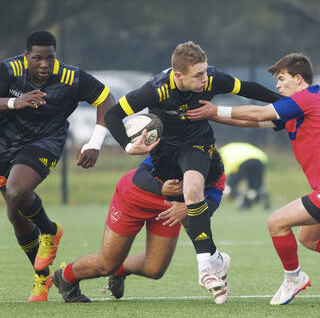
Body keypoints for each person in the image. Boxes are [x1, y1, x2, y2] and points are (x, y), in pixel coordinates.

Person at [104, 41, 282, 296]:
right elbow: (113, 115)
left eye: (206, 71)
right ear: (178, 76)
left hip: (198, 144)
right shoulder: (154, 90)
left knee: (193, 190)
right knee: (185, 220)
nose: (205, 78)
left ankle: (205, 269)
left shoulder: (212, 80)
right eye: (198, 74)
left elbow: (248, 88)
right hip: (164, 155)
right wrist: (129, 147)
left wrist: (287, 106)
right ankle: (216, 260)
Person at [187, 52, 318, 305]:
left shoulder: (308, 97)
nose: (277, 86)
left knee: (277, 222)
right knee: (308, 238)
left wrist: (218, 108)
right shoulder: (298, 109)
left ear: (299, 78)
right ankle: (295, 277)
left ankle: (294, 278)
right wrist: (212, 115)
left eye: (281, 79)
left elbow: (260, 113)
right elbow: (254, 123)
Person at [0, 31, 114, 301]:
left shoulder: (71, 77)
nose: (44, 64)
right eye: (37, 58)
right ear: (26, 56)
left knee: (17, 191)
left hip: (44, 141)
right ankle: (43, 278)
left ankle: (50, 231)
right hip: (4, 142)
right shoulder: (9, 70)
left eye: (49, 58)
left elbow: (105, 99)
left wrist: (95, 142)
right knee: (16, 216)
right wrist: (16, 102)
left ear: (55, 56)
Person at [52, 149, 228, 304]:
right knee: (106, 265)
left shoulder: (216, 174)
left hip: (169, 209)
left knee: (155, 269)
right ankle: (66, 277)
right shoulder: (173, 152)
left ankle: (120, 271)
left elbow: (211, 205)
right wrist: (161, 189)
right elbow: (140, 175)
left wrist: (189, 208)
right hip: (134, 198)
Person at [219, 142, 270, 210]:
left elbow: (222, 171)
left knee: (228, 188)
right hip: (259, 160)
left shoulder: (219, 154)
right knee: (255, 188)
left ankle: (242, 197)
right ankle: (261, 194)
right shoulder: (229, 148)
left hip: (241, 162)